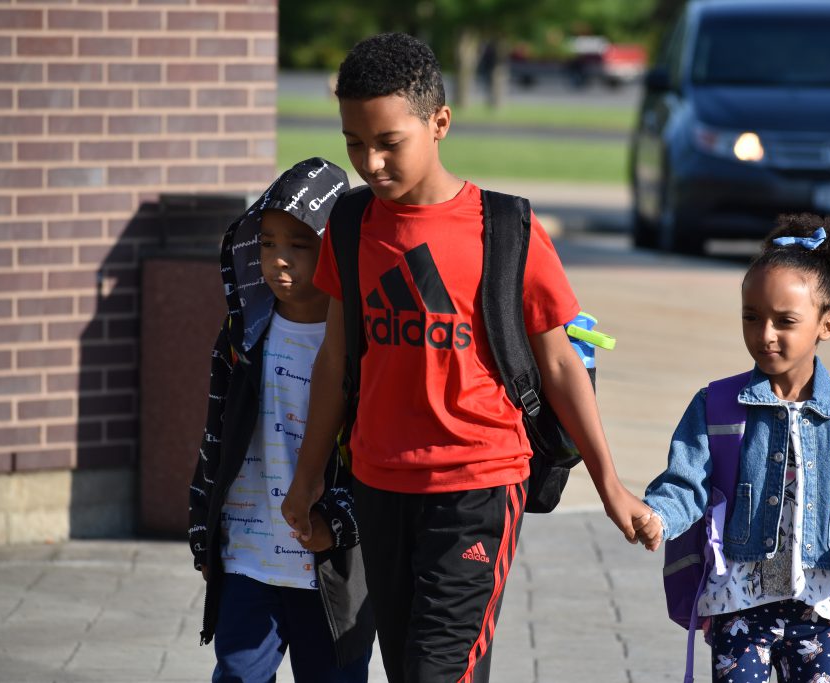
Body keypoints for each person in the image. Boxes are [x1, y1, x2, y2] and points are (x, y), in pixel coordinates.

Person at [280, 33, 659, 683]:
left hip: (478, 485)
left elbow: (562, 365)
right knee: (410, 669)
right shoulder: (349, 225)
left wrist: (611, 484)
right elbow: (337, 359)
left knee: (437, 670)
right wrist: (309, 473)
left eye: (388, 142)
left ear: (440, 123)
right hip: (378, 482)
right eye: (353, 142)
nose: (369, 161)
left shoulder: (505, 228)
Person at [640, 214, 830, 682]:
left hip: (820, 607)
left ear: (827, 324)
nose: (765, 334)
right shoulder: (715, 405)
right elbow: (685, 483)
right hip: (736, 606)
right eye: (751, 317)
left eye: (785, 321)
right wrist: (657, 516)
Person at [188, 157, 373, 683]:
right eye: (267, 244)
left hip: (329, 570)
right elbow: (214, 437)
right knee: (238, 675)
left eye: (300, 245)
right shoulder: (242, 336)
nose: (279, 262)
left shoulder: (366, 348)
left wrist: (336, 525)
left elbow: (376, 456)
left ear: (337, 250)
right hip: (246, 557)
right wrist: (204, 531)